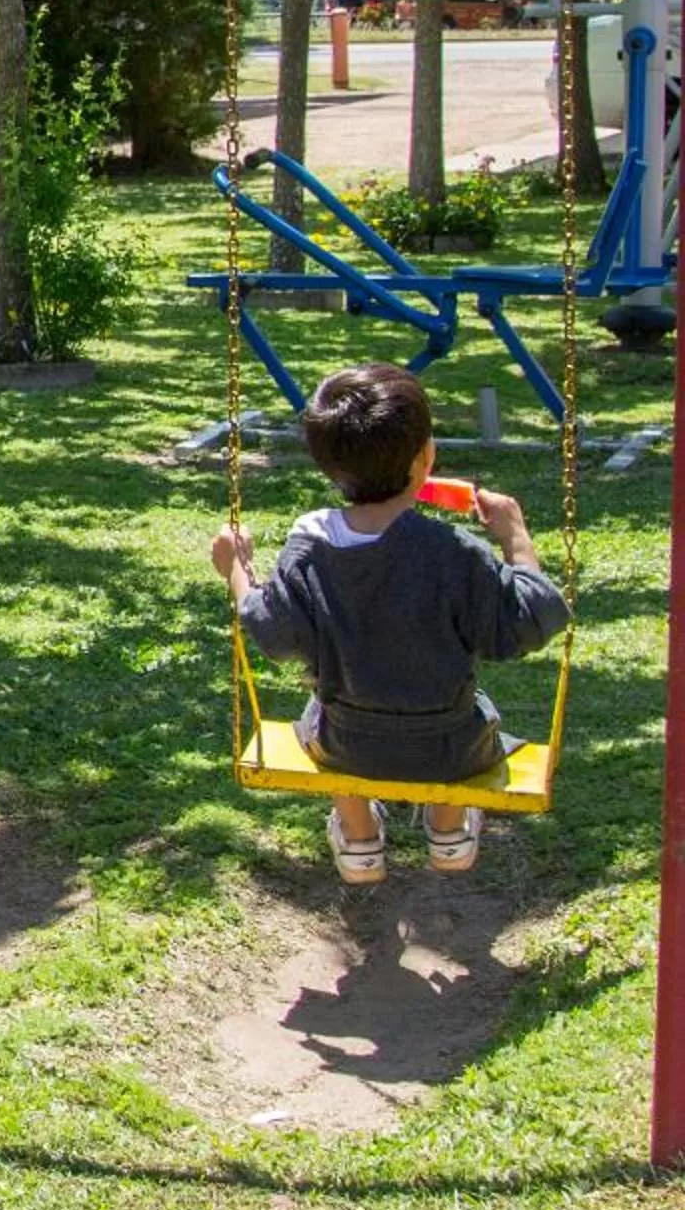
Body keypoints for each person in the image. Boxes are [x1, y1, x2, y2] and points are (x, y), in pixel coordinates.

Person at [210, 363, 570, 884]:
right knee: (474, 707)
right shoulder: (455, 552)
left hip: (345, 743)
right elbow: (533, 619)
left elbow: (270, 630)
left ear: (328, 467)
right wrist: (514, 536)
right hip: (455, 748)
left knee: (323, 703)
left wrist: (238, 570)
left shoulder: (308, 550)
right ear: (427, 458)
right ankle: (449, 829)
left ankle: (358, 837)